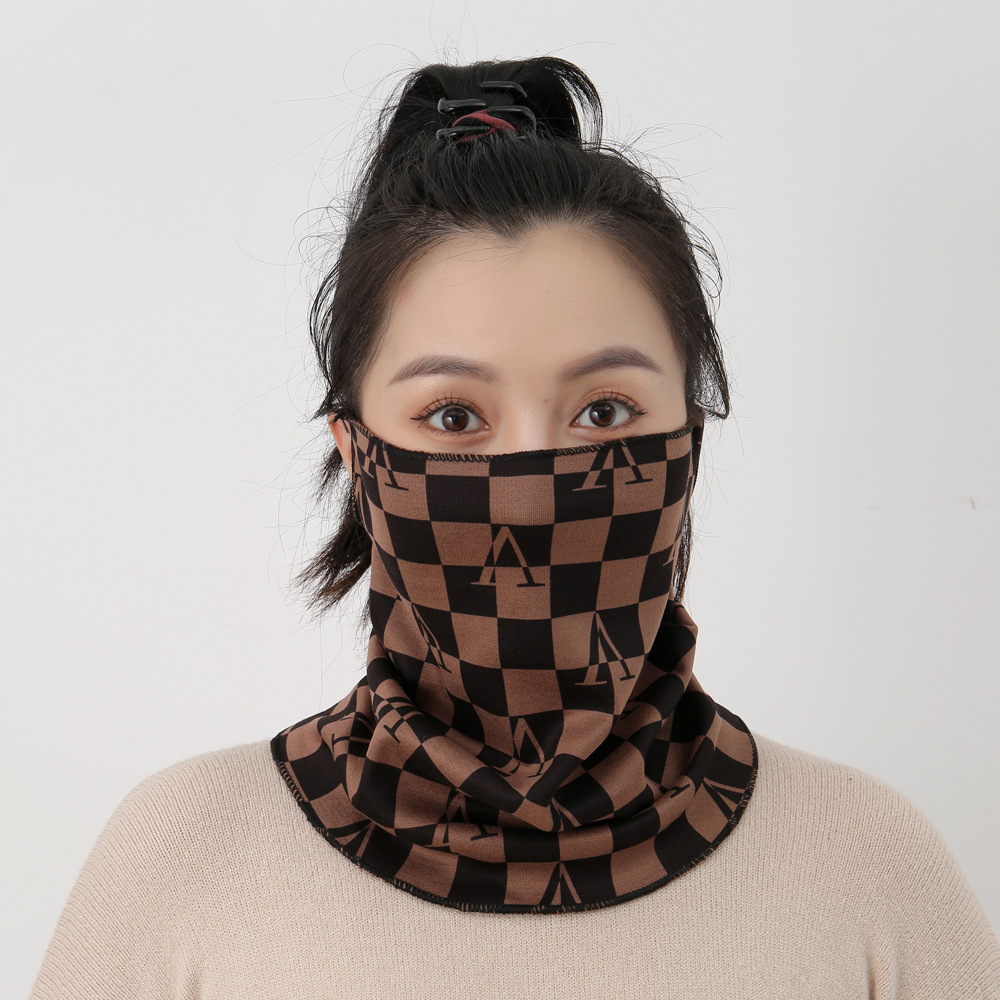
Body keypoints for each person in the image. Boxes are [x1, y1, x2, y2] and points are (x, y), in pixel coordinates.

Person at [29, 56, 1000, 999]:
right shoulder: (182, 864)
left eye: (604, 412)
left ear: (689, 443)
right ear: (357, 454)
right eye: (454, 416)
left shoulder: (870, 868)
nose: (531, 491)